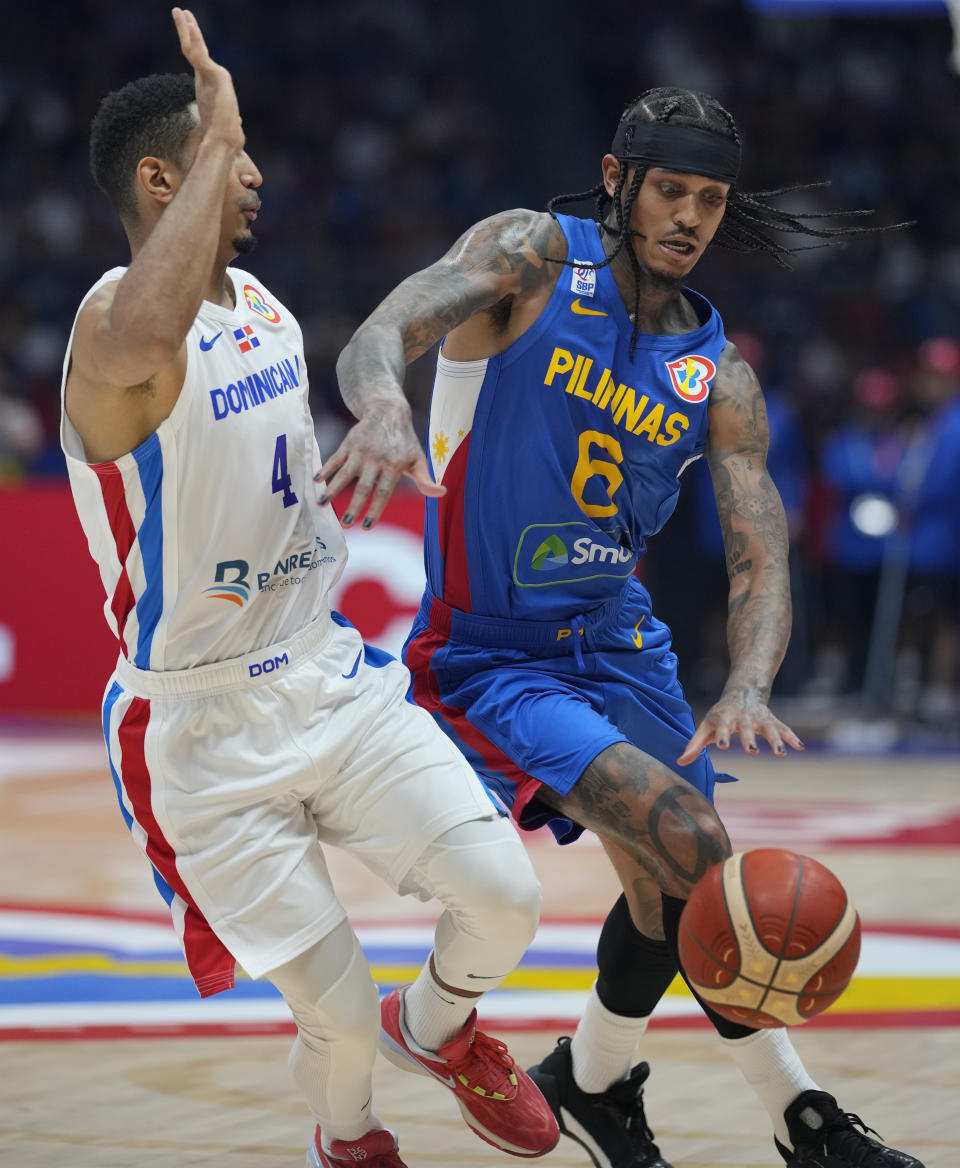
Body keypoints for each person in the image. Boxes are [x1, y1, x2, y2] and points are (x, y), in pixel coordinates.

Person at [321, 87, 923, 1168]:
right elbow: (387, 327)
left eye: (712, 198)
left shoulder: (717, 371)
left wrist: (748, 681)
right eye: (674, 192)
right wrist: (379, 403)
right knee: (692, 846)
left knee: (675, 882)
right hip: (491, 650)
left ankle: (593, 1083)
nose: (692, 216)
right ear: (618, 181)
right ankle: (802, 1119)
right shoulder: (530, 257)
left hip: (620, 636)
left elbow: (759, 551)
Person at [60, 10, 560, 1168]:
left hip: (329, 677)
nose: (260, 175)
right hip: (199, 723)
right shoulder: (109, 323)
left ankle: (435, 1027)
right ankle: (348, 1140)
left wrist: (380, 420)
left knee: (506, 897)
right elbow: (146, 330)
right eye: (236, 154)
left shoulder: (268, 305)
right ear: (161, 177)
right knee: (332, 1017)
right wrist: (214, 113)